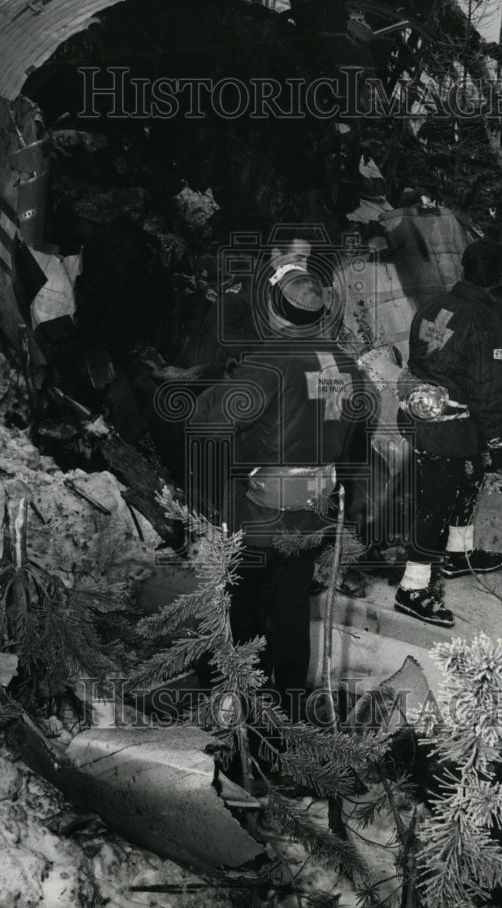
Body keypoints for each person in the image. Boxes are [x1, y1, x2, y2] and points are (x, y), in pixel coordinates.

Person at [190, 265, 365, 712]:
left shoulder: (269, 362)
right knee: (290, 604)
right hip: (318, 507)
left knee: (243, 600)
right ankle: (288, 703)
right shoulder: (346, 364)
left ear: (275, 309)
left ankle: (236, 698)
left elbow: (211, 423)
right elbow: (353, 439)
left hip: (265, 511)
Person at [395, 242, 502, 627]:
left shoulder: (435, 305)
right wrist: (497, 440)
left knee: (467, 479)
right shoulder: (485, 320)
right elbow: (488, 390)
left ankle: (457, 553)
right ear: (497, 279)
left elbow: (421, 359)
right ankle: (412, 588)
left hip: (421, 413)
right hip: (450, 424)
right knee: (437, 499)